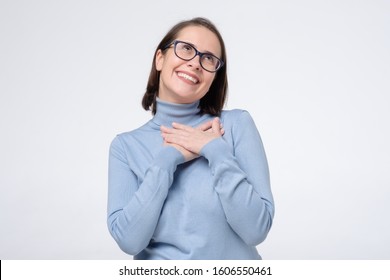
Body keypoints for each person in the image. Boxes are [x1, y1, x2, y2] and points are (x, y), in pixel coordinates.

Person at [107, 17, 274, 260]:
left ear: (214, 77)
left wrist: (215, 150)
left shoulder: (235, 125)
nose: (196, 63)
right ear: (160, 59)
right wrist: (166, 159)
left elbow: (256, 230)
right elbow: (130, 241)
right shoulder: (125, 147)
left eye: (208, 58)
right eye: (186, 48)